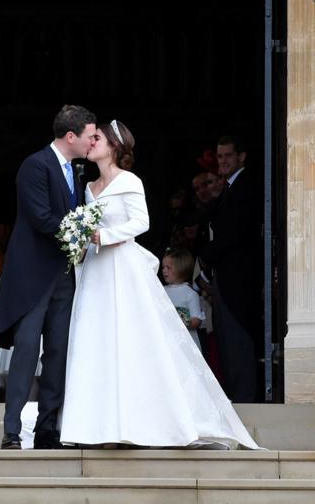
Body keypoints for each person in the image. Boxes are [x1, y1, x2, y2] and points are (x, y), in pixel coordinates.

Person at [59, 120, 257, 449]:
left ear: (115, 147)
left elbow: (141, 222)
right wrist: (80, 242)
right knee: (96, 340)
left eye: (98, 138)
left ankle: (137, 422)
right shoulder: (89, 187)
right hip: (95, 271)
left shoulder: (129, 181)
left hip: (121, 269)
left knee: (129, 342)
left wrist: (102, 235)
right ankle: (96, 426)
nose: (91, 142)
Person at [0, 104, 97, 450]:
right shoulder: (35, 165)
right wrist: (81, 236)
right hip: (33, 275)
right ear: (71, 136)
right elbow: (40, 216)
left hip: (64, 275)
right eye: (90, 136)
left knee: (58, 351)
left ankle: (48, 427)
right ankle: (11, 429)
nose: (93, 142)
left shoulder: (75, 172)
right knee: (25, 350)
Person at [199, 136, 259, 403]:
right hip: (226, 277)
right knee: (227, 341)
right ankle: (236, 396)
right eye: (219, 156)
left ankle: (245, 398)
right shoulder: (229, 187)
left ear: (241, 157)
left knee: (238, 339)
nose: (222, 161)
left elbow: (234, 231)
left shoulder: (246, 185)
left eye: (227, 156)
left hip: (239, 279)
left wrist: (205, 255)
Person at [162, 249, 205, 350]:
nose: (164, 270)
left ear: (181, 269)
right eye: (163, 267)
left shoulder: (190, 293)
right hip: (167, 339)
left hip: (185, 341)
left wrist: (178, 318)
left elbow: (196, 321)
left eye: (168, 267)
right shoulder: (161, 290)